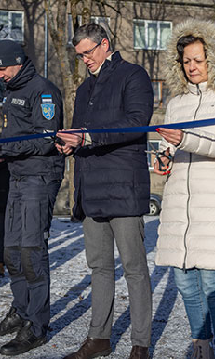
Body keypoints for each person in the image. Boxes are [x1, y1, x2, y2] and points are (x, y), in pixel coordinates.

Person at [152, 20, 215, 359]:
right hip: (180, 203)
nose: (192, 67)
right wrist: (164, 157)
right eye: (186, 61)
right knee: (183, 282)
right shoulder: (175, 103)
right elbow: (170, 146)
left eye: (198, 60)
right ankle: (201, 347)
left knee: (214, 286)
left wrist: (185, 139)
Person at [55, 23, 153, 359]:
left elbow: (137, 122)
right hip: (91, 191)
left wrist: (89, 136)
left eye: (88, 52)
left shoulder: (133, 75)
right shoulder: (83, 89)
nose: (84, 59)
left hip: (124, 188)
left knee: (134, 269)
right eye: (79, 55)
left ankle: (140, 343)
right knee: (99, 268)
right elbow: (81, 133)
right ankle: (99, 338)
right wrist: (71, 144)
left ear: (105, 44)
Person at [0, 40, 64, 356]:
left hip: (39, 177)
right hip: (16, 177)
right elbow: (12, 135)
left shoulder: (43, 91)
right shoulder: (12, 91)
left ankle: (36, 324)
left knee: (31, 252)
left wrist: (6, 148)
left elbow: (45, 140)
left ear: (17, 62)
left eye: (2, 68)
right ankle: (20, 309)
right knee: (12, 250)